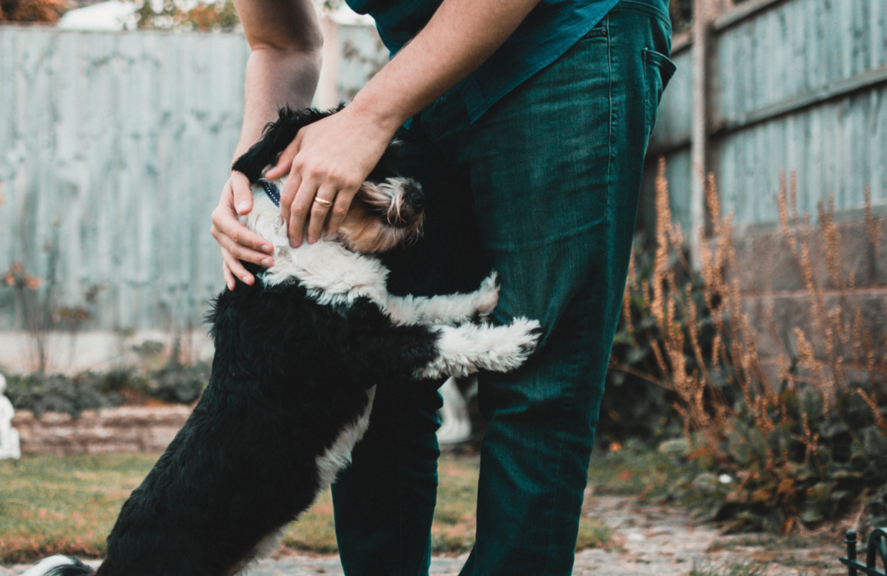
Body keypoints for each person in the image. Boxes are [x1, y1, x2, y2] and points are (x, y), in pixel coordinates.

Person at [210, 0, 675, 574]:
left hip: (567, 37)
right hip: (427, 64)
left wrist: (369, 116)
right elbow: (281, 43)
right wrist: (248, 182)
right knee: (373, 374)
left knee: (540, 373)